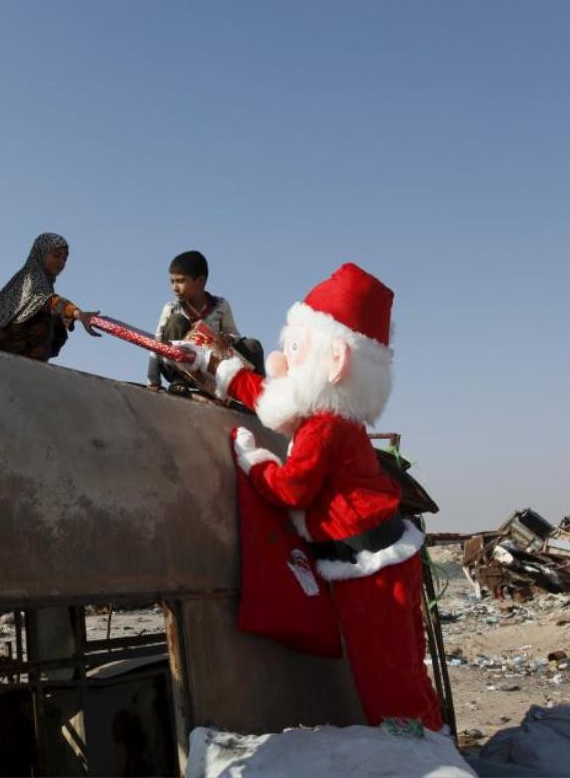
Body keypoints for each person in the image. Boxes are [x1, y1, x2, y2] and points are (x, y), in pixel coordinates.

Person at [194, 263, 443, 731]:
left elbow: (291, 489)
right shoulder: (337, 416)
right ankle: (432, 747)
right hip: (391, 560)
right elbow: (281, 394)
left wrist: (255, 461)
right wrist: (222, 371)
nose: (281, 360)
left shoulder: (322, 427)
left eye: (294, 348)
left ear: (333, 361)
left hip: (369, 575)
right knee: (409, 675)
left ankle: (417, 761)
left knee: (386, 686)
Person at [147, 250, 263, 393]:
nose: (174, 288)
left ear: (200, 281)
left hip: (211, 370)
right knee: (176, 321)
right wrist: (153, 380)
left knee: (253, 345)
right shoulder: (171, 308)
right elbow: (156, 344)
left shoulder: (220, 305)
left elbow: (234, 334)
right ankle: (179, 382)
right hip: (179, 369)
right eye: (172, 282)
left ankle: (259, 395)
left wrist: (228, 339)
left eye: (180, 281)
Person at [0, 233, 100, 362]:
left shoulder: (43, 282)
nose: (61, 263)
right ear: (41, 254)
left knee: (55, 320)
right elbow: (51, 301)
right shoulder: (32, 279)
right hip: (2, 345)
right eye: (56, 256)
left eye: (64, 259)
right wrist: (79, 314)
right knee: (48, 318)